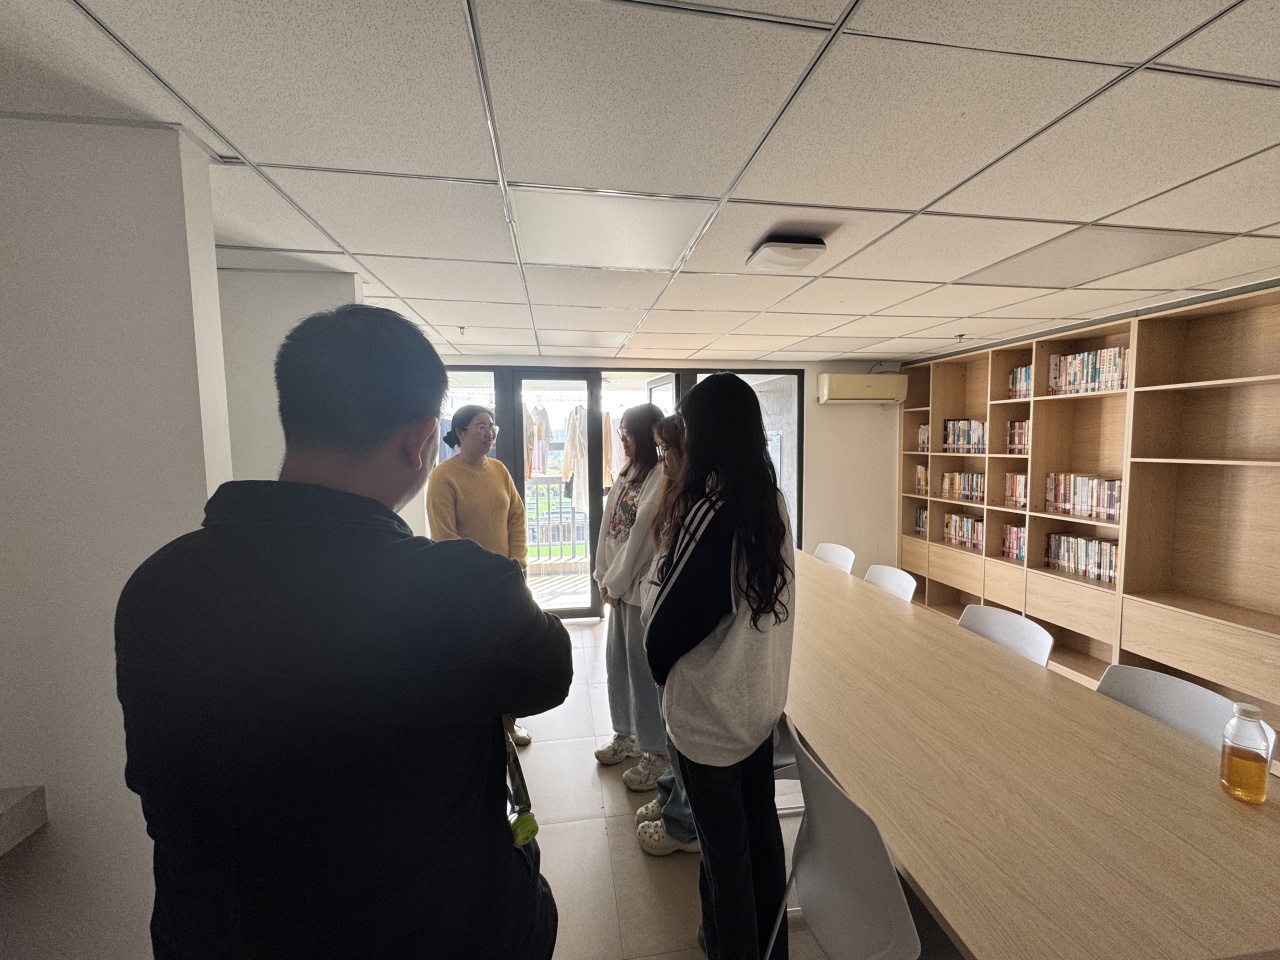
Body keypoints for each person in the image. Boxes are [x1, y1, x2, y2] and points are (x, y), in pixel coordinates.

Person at [115, 304, 572, 960]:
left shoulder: (156, 587)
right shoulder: (460, 589)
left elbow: (157, 783)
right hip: (430, 932)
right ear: (421, 440)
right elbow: (550, 670)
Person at [643, 373, 795, 960]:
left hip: (710, 717)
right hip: (756, 708)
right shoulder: (771, 500)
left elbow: (665, 627)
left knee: (724, 856)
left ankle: (729, 946)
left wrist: (660, 674)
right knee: (762, 840)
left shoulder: (713, 510)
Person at [427, 404, 534, 745]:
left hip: (507, 581)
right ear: (460, 433)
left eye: (492, 427)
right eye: (480, 427)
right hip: (468, 588)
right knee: (476, 658)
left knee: (508, 655)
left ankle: (508, 722)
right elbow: (445, 537)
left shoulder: (499, 470)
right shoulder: (443, 476)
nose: (489, 434)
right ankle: (479, 726)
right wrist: (480, 576)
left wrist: (517, 562)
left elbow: (516, 517)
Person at [592, 403, 669, 792]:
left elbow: (642, 538)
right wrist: (601, 575)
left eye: (628, 432)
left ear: (647, 434)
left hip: (637, 590)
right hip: (618, 587)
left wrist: (616, 582)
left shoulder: (660, 475)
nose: (623, 438)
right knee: (617, 664)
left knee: (641, 671)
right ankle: (626, 735)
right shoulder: (627, 473)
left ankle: (655, 752)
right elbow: (608, 527)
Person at [635, 415, 700, 856]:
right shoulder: (674, 493)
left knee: (681, 734)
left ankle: (683, 821)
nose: (663, 460)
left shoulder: (701, 505)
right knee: (671, 730)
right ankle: (671, 794)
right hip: (661, 631)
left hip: (679, 648)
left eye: (668, 450)